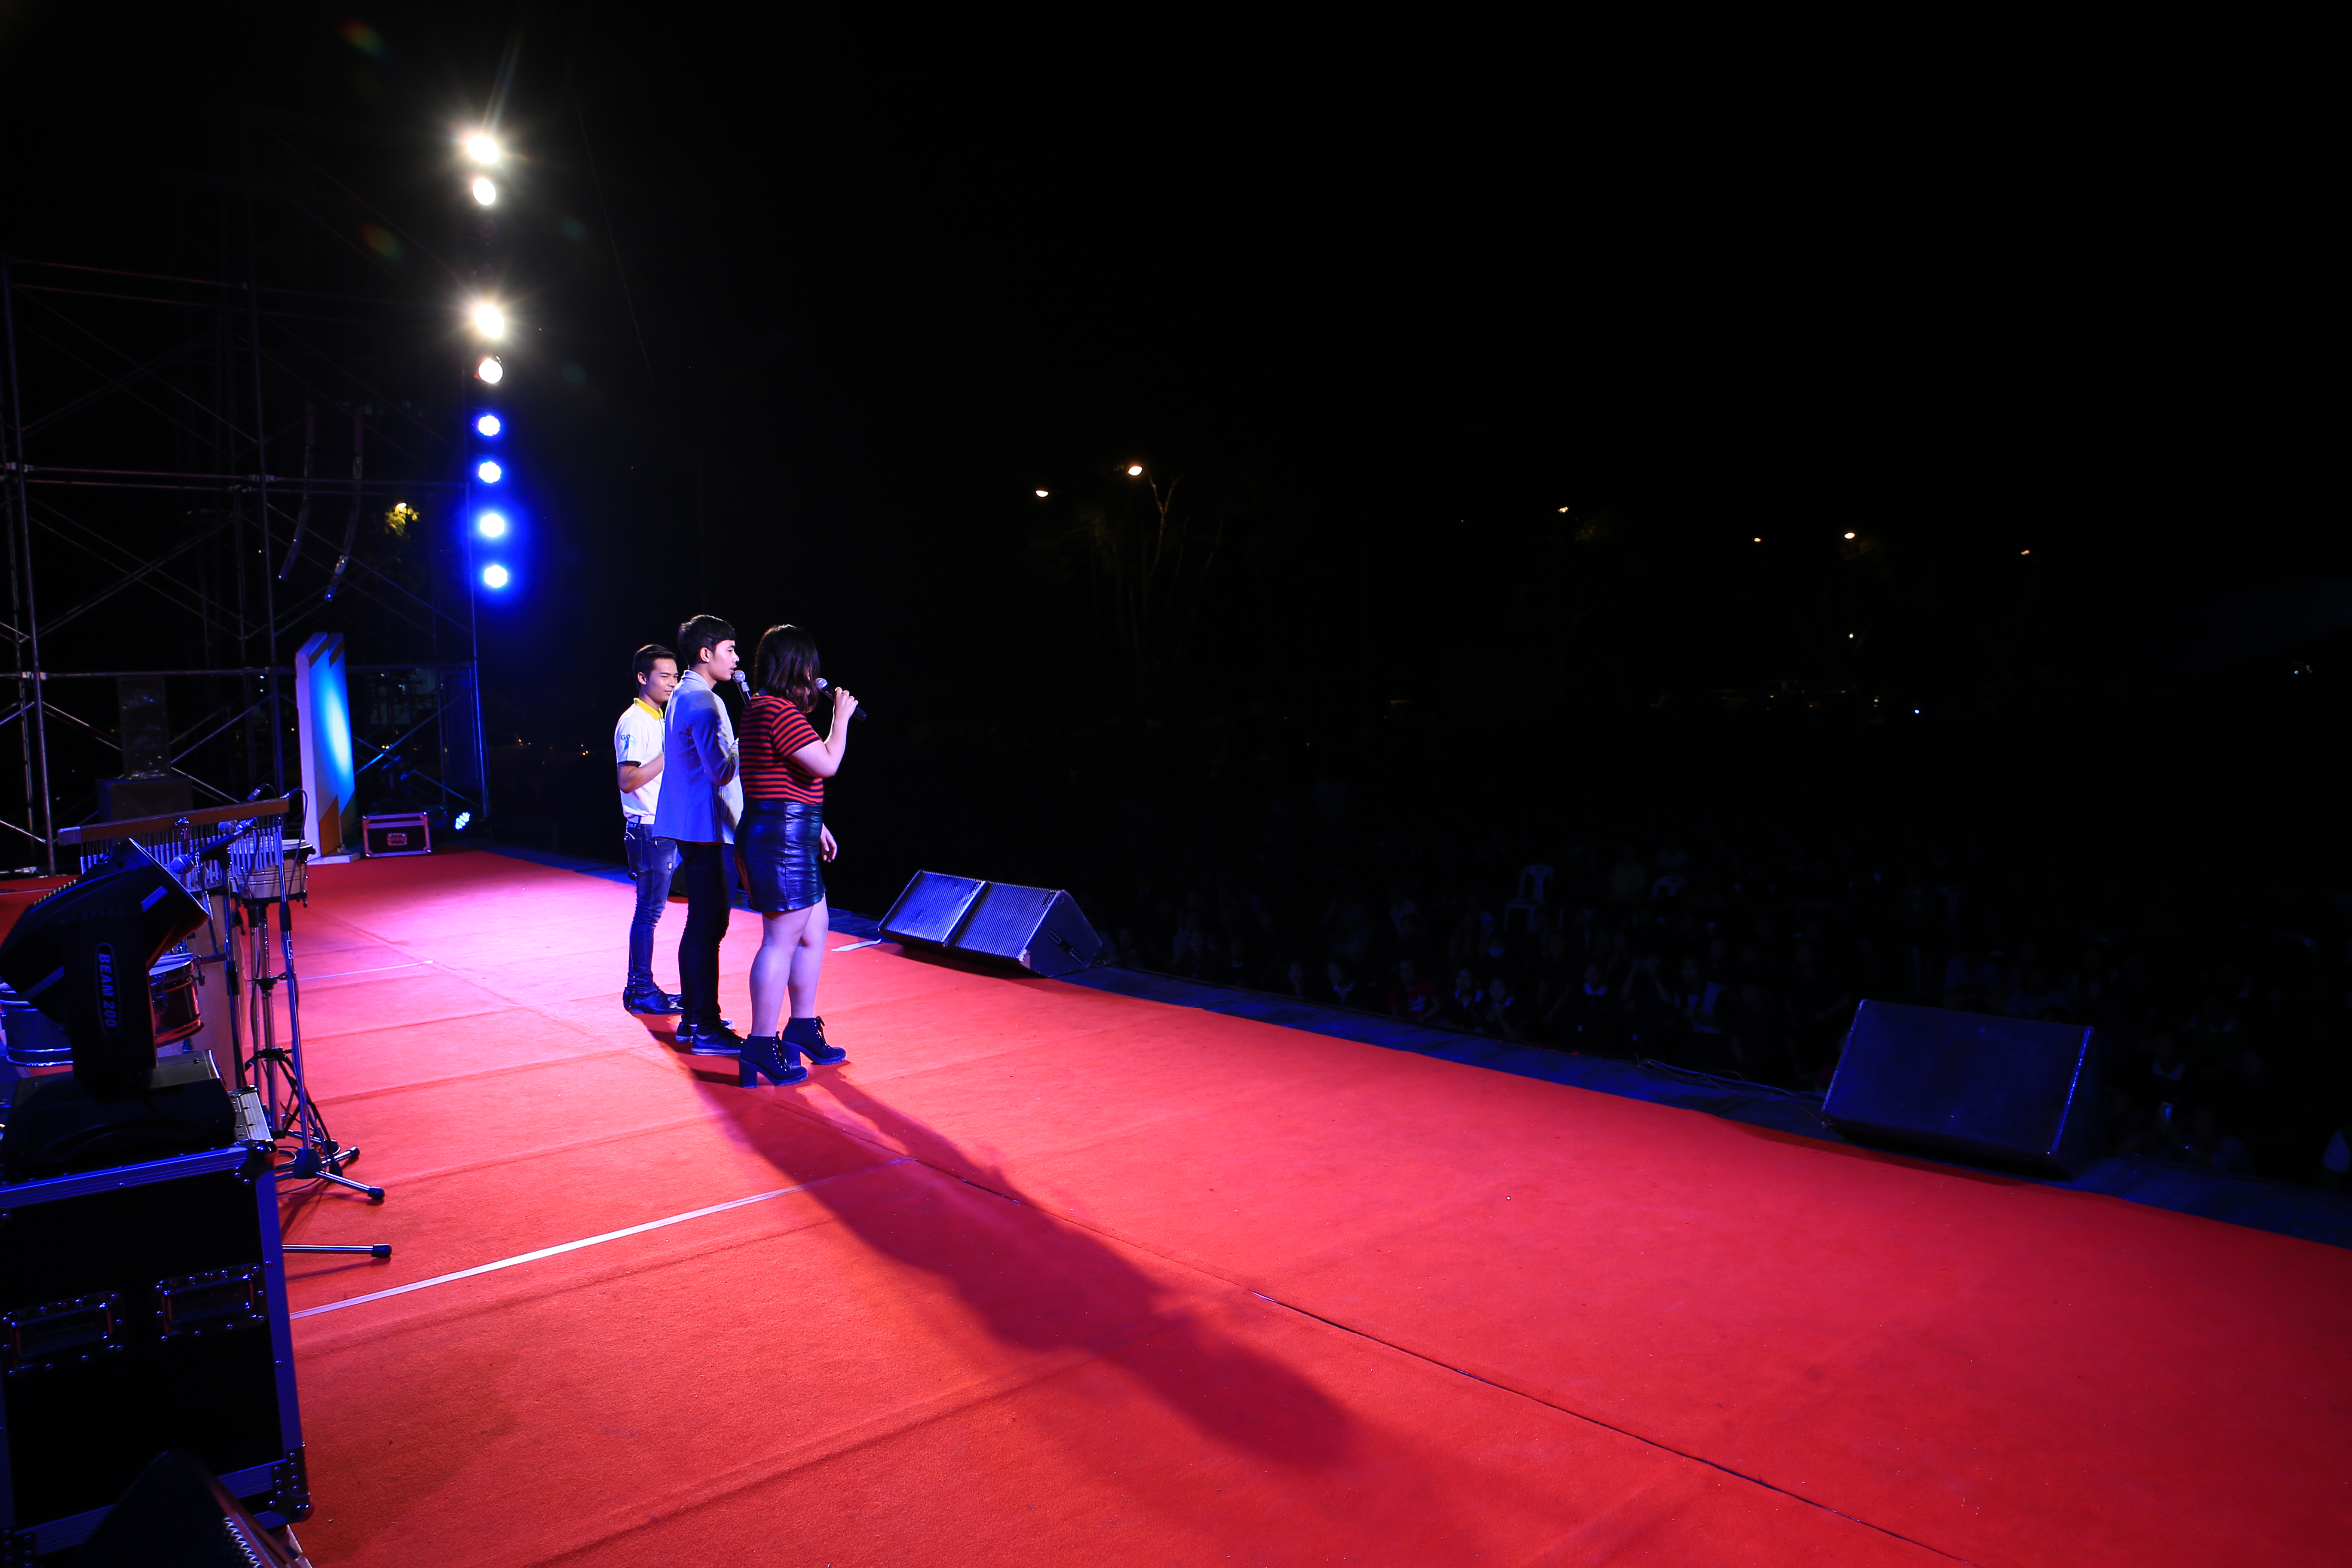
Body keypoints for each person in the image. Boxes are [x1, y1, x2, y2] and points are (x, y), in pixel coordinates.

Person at [733, 624, 857, 1087]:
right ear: (797, 666)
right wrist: (841, 719)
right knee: (780, 941)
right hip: (781, 839)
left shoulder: (764, 709)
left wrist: (815, 824)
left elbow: (781, 776)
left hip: (790, 830)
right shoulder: (778, 711)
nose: (814, 676)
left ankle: (801, 1027)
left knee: (814, 930)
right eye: (810, 666)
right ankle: (761, 1044)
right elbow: (828, 763)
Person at [652, 614, 746, 1055]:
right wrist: (748, 740)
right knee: (709, 926)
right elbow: (721, 770)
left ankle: (695, 1018)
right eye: (730, 650)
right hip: (708, 830)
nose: (737, 658)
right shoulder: (704, 701)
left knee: (701, 925)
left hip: (693, 826)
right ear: (706, 653)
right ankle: (706, 1027)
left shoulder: (683, 695)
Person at [615, 644, 684, 1015]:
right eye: (664, 676)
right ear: (643, 678)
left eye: (675, 676)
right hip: (648, 828)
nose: (672, 683)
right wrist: (670, 755)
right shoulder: (634, 721)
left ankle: (641, 987)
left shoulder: (659, 717)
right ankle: (640, 988)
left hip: (664, 825)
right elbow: (627, 780)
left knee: (652, 910)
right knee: (649, 912)